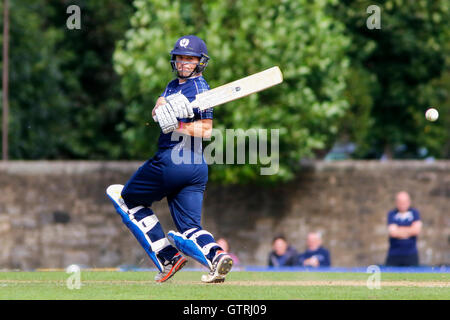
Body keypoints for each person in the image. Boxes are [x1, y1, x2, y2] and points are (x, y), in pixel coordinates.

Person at [107, 35, 233, 283]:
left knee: (125, 198)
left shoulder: (202, 89)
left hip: (174, 160)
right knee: (190, 228)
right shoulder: (173, 85)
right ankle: (217, 257)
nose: (184, 63)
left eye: (190, 59)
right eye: (180, 58)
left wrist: (178, 124)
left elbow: (206, 130)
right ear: (174, 60)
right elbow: (159, 105)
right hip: (196, 168)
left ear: (200, 62)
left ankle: (168, 257)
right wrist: (161, 108)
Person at [385, 191, 422, 266]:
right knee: (389, 276)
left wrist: (399, 230)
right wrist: (409, 230)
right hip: (394, 254)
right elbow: (393, 233)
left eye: (404, 201)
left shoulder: (415, 213)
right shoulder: (392, 214)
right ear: (396, 202)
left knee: (413, 276)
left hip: (411, 254)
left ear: (409, 202)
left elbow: (416, 231)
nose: (402, 204)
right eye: (400, 202)